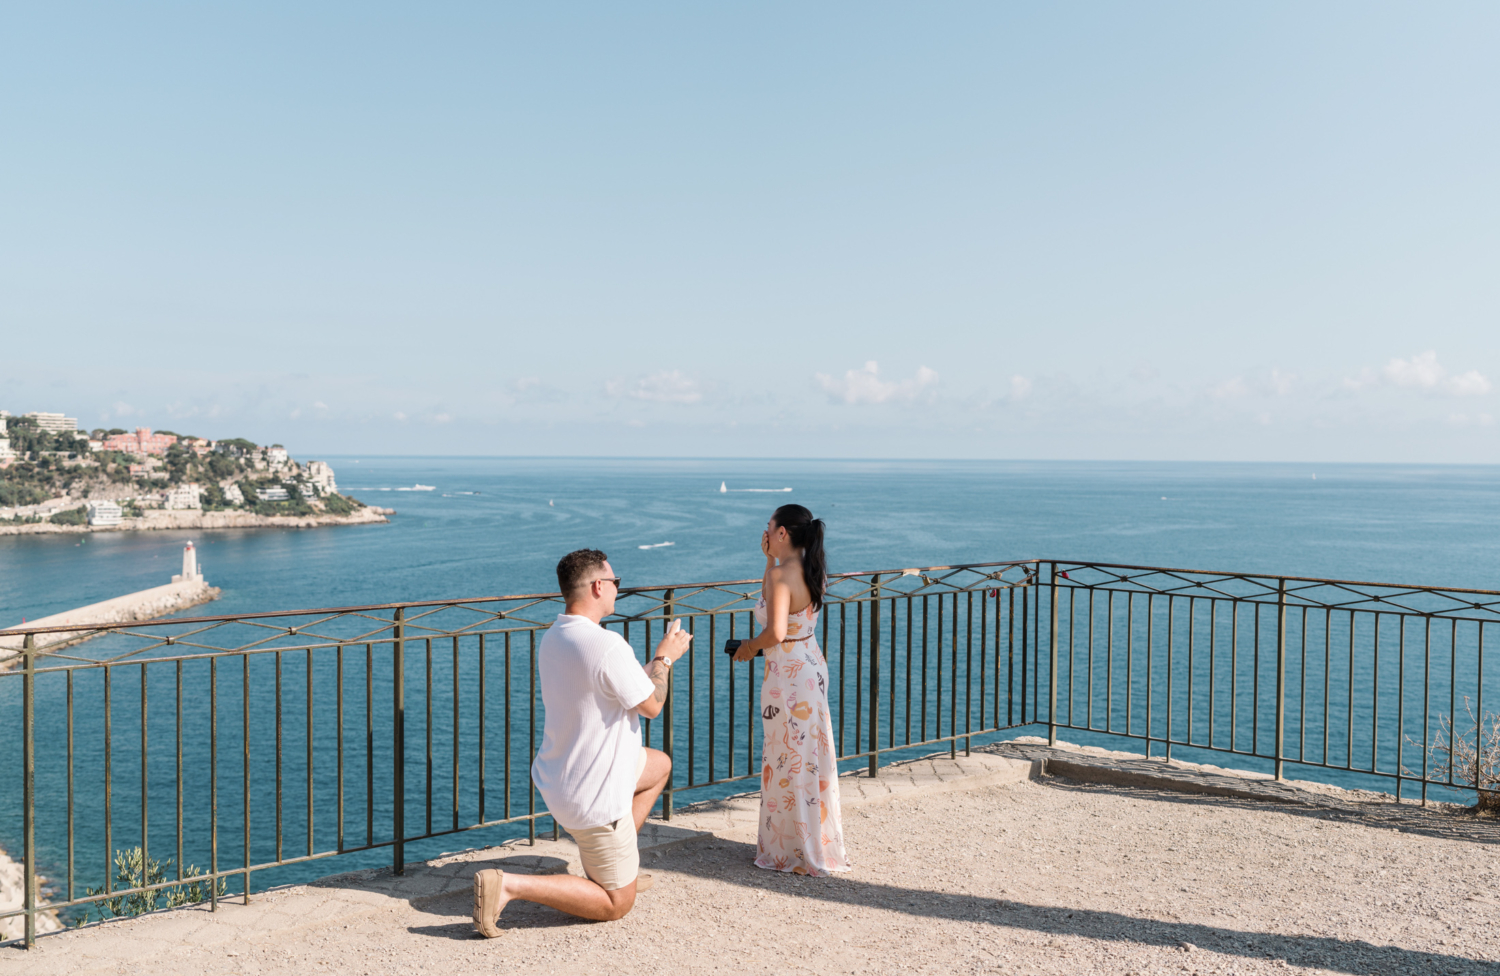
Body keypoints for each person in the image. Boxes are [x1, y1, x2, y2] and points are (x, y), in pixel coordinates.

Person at [472, 548, 692, 936]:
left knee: (659, 766)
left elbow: (612, 686)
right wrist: (665, 657)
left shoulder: (556, 636)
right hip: (594, 796)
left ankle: (617, 863)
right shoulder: (607, 645)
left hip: (559, 778)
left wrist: (649, 668)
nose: (617, 589)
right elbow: (653, 705)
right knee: (616, 904)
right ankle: (508, 885)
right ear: (597, 586)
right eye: (615, 582)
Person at [731, 504, 850, 876]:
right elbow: (780, 607)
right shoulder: (812, 568)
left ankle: (790, 850)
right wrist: (769, 560)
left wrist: (748, 649)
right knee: (810, 754)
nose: (765, 532)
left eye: (769, 527)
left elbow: (775, 631)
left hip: (787, 673)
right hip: (811, 663)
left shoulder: (782, 575)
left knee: (785, 757)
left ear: (782, 533)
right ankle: (812, 841)